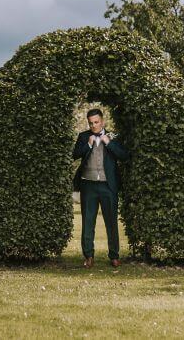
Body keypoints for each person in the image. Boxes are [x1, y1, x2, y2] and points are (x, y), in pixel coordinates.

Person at [72, 108, 129, 268]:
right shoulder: (83, 136)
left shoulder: (113, 136)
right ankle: (88, 256)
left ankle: (114, 256)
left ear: (102, 122)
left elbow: (123, 155)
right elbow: (75, 154)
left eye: (96, 122)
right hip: (88, 185)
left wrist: (108, 143)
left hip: (108, 185)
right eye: (91, 123)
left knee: (111, 222)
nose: (94, 125)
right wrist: (88, 145)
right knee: (88, 222)